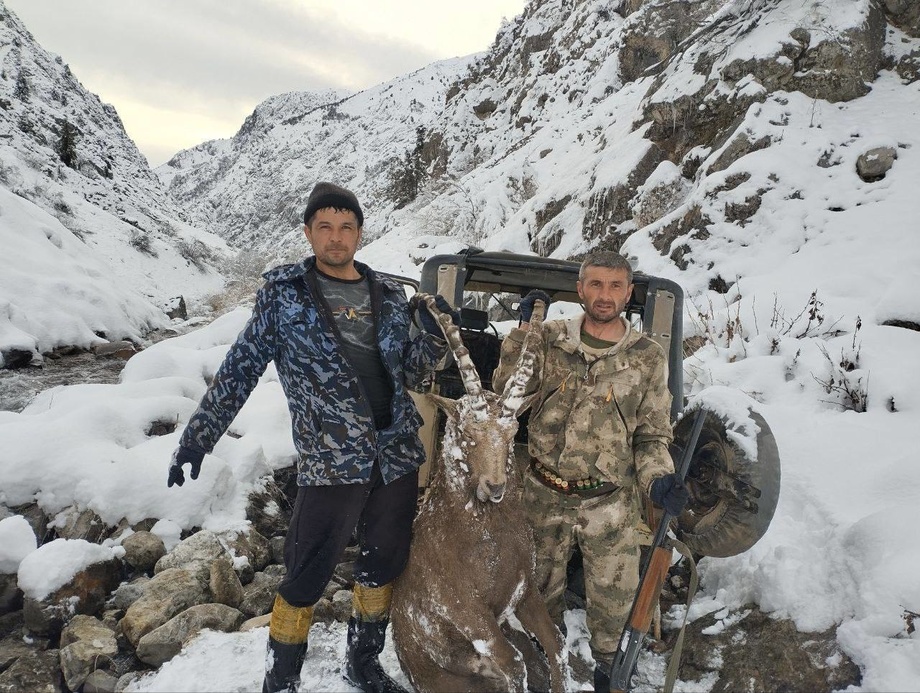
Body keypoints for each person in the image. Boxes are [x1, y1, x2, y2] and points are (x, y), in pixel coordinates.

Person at [167, 182, 455, 693]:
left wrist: (433, 338)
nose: (336, 237)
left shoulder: (389, 295)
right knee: (307, 567)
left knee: (384, 560)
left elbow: (412, 373)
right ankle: (281, 677)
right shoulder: (284, 298)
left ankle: (363, 662)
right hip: (330, 458)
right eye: (325, 227)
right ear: (308, 233)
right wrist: (197, 439)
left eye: (346, 227)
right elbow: (240, 369)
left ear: (360, 233)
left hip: (395, 454)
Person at [492, 250, 688, 693]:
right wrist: (521, 338)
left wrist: (658, 479)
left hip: (610, 502)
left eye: (615, 286)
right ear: (580, 290)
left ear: (628, 293)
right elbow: (507, 399)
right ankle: (542, 675)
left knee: (616, 612)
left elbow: (652, 435)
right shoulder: (549, 340)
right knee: (535, 603)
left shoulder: (646, 357)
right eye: (595, 285)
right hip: (543, 497)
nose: (605, 295)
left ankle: (609, 679)